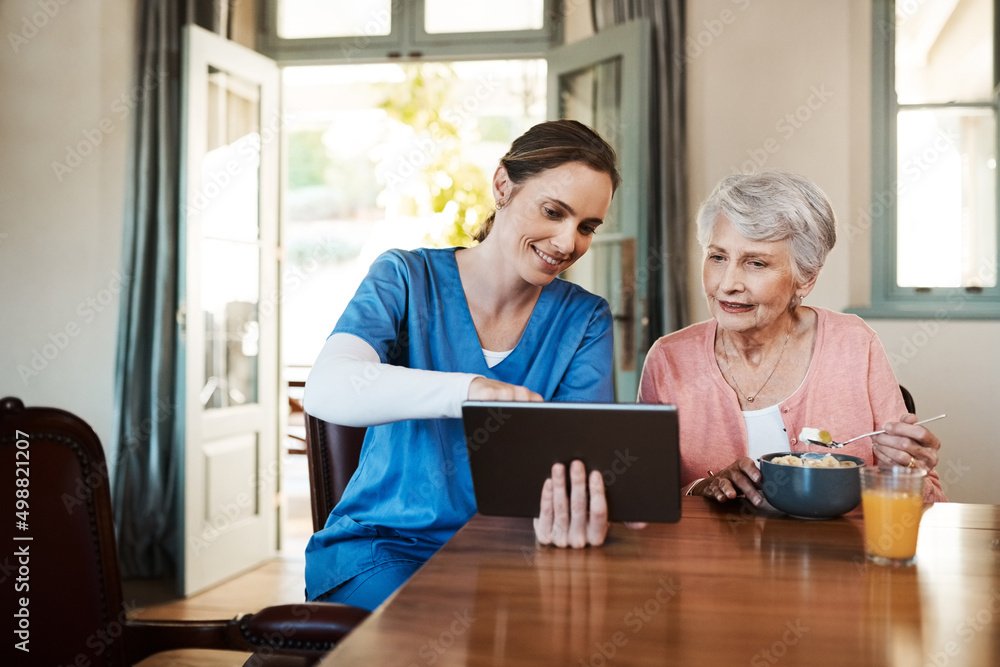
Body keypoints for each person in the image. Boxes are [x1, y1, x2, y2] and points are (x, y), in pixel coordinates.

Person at [302, 120, 621, 611]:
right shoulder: (405, 278)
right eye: (553, 211)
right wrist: (470, 390)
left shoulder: (585, 318)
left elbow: (579, 463)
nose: (566, 242)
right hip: (385, 551)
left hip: (517, 560)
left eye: (586, 227)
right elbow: (327, 388)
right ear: (502, 185)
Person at [638, 170, 947, 505]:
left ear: (805, 279)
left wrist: (904, 470)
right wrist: (700, 488)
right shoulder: (668, 359)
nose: (728, 283)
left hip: (838, 556)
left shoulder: (854, 345)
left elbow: (932, 500)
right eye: (718, 257)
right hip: (710, 558)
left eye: (755, 263)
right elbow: (642, 495)